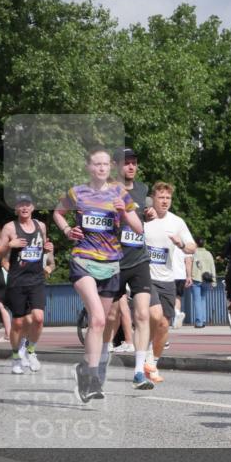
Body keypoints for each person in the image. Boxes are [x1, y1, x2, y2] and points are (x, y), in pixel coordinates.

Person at [53, 147, 144, 402]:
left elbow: (139, 228)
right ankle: (92, 378)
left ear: (110, 167)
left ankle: (85, 368)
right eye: (97, 164)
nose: (102, 168)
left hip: (111, 264)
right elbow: (58, 213)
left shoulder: (120, 193)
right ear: (88, 167)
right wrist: (67, 230)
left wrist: (124, 212)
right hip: (83, 260)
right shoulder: (77, 192)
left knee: (100, 323)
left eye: (105, 164)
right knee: (97, 319)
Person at [103, 147, 157, 388]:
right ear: (116, 166)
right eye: (127, 163)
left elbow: (141, 217)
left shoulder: (142, 189)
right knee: (111, 316)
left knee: (142, 314)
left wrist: (149, 213)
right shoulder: (106, 189)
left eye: (134, 162)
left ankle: (138, 372)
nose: (132, 166)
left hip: (139, 259)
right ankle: (101, 360)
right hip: (114, 260)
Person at [0, 194, 54, 373]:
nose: (25, 207)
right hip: (17, 280)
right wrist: (10, 245)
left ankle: (31, 351)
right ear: (16, 208)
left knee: (38, 318)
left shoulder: (40, 226)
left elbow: (43, 248)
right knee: (18, 323)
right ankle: (15, 357)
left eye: (28, 204)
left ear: (33, 207)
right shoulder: (10, 227)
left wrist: (47, 249)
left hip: (36, 279)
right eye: (21, 204)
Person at [142, 182, 196, 383]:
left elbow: (192, 247)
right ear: (153, 199)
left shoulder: (177, 222)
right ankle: (143, 357)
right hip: (145, 276)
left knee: (164, 325)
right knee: (154, 316)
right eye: (161, 197)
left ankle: (152, 363)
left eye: (168, 198)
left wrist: (181, 244)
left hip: (167, 279)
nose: (165, 201)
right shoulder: (144, 219)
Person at [190, 237, 216, 328]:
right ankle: (203, 320)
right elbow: (212, 267)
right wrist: (214, 282)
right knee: (203, 299)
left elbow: (190, 265)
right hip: (207, 279)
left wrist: (188, 277)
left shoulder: (193, 253)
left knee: (197, 300)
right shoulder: (209, 254)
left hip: (196, 278)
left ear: (196, 244)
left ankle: (199, 322)